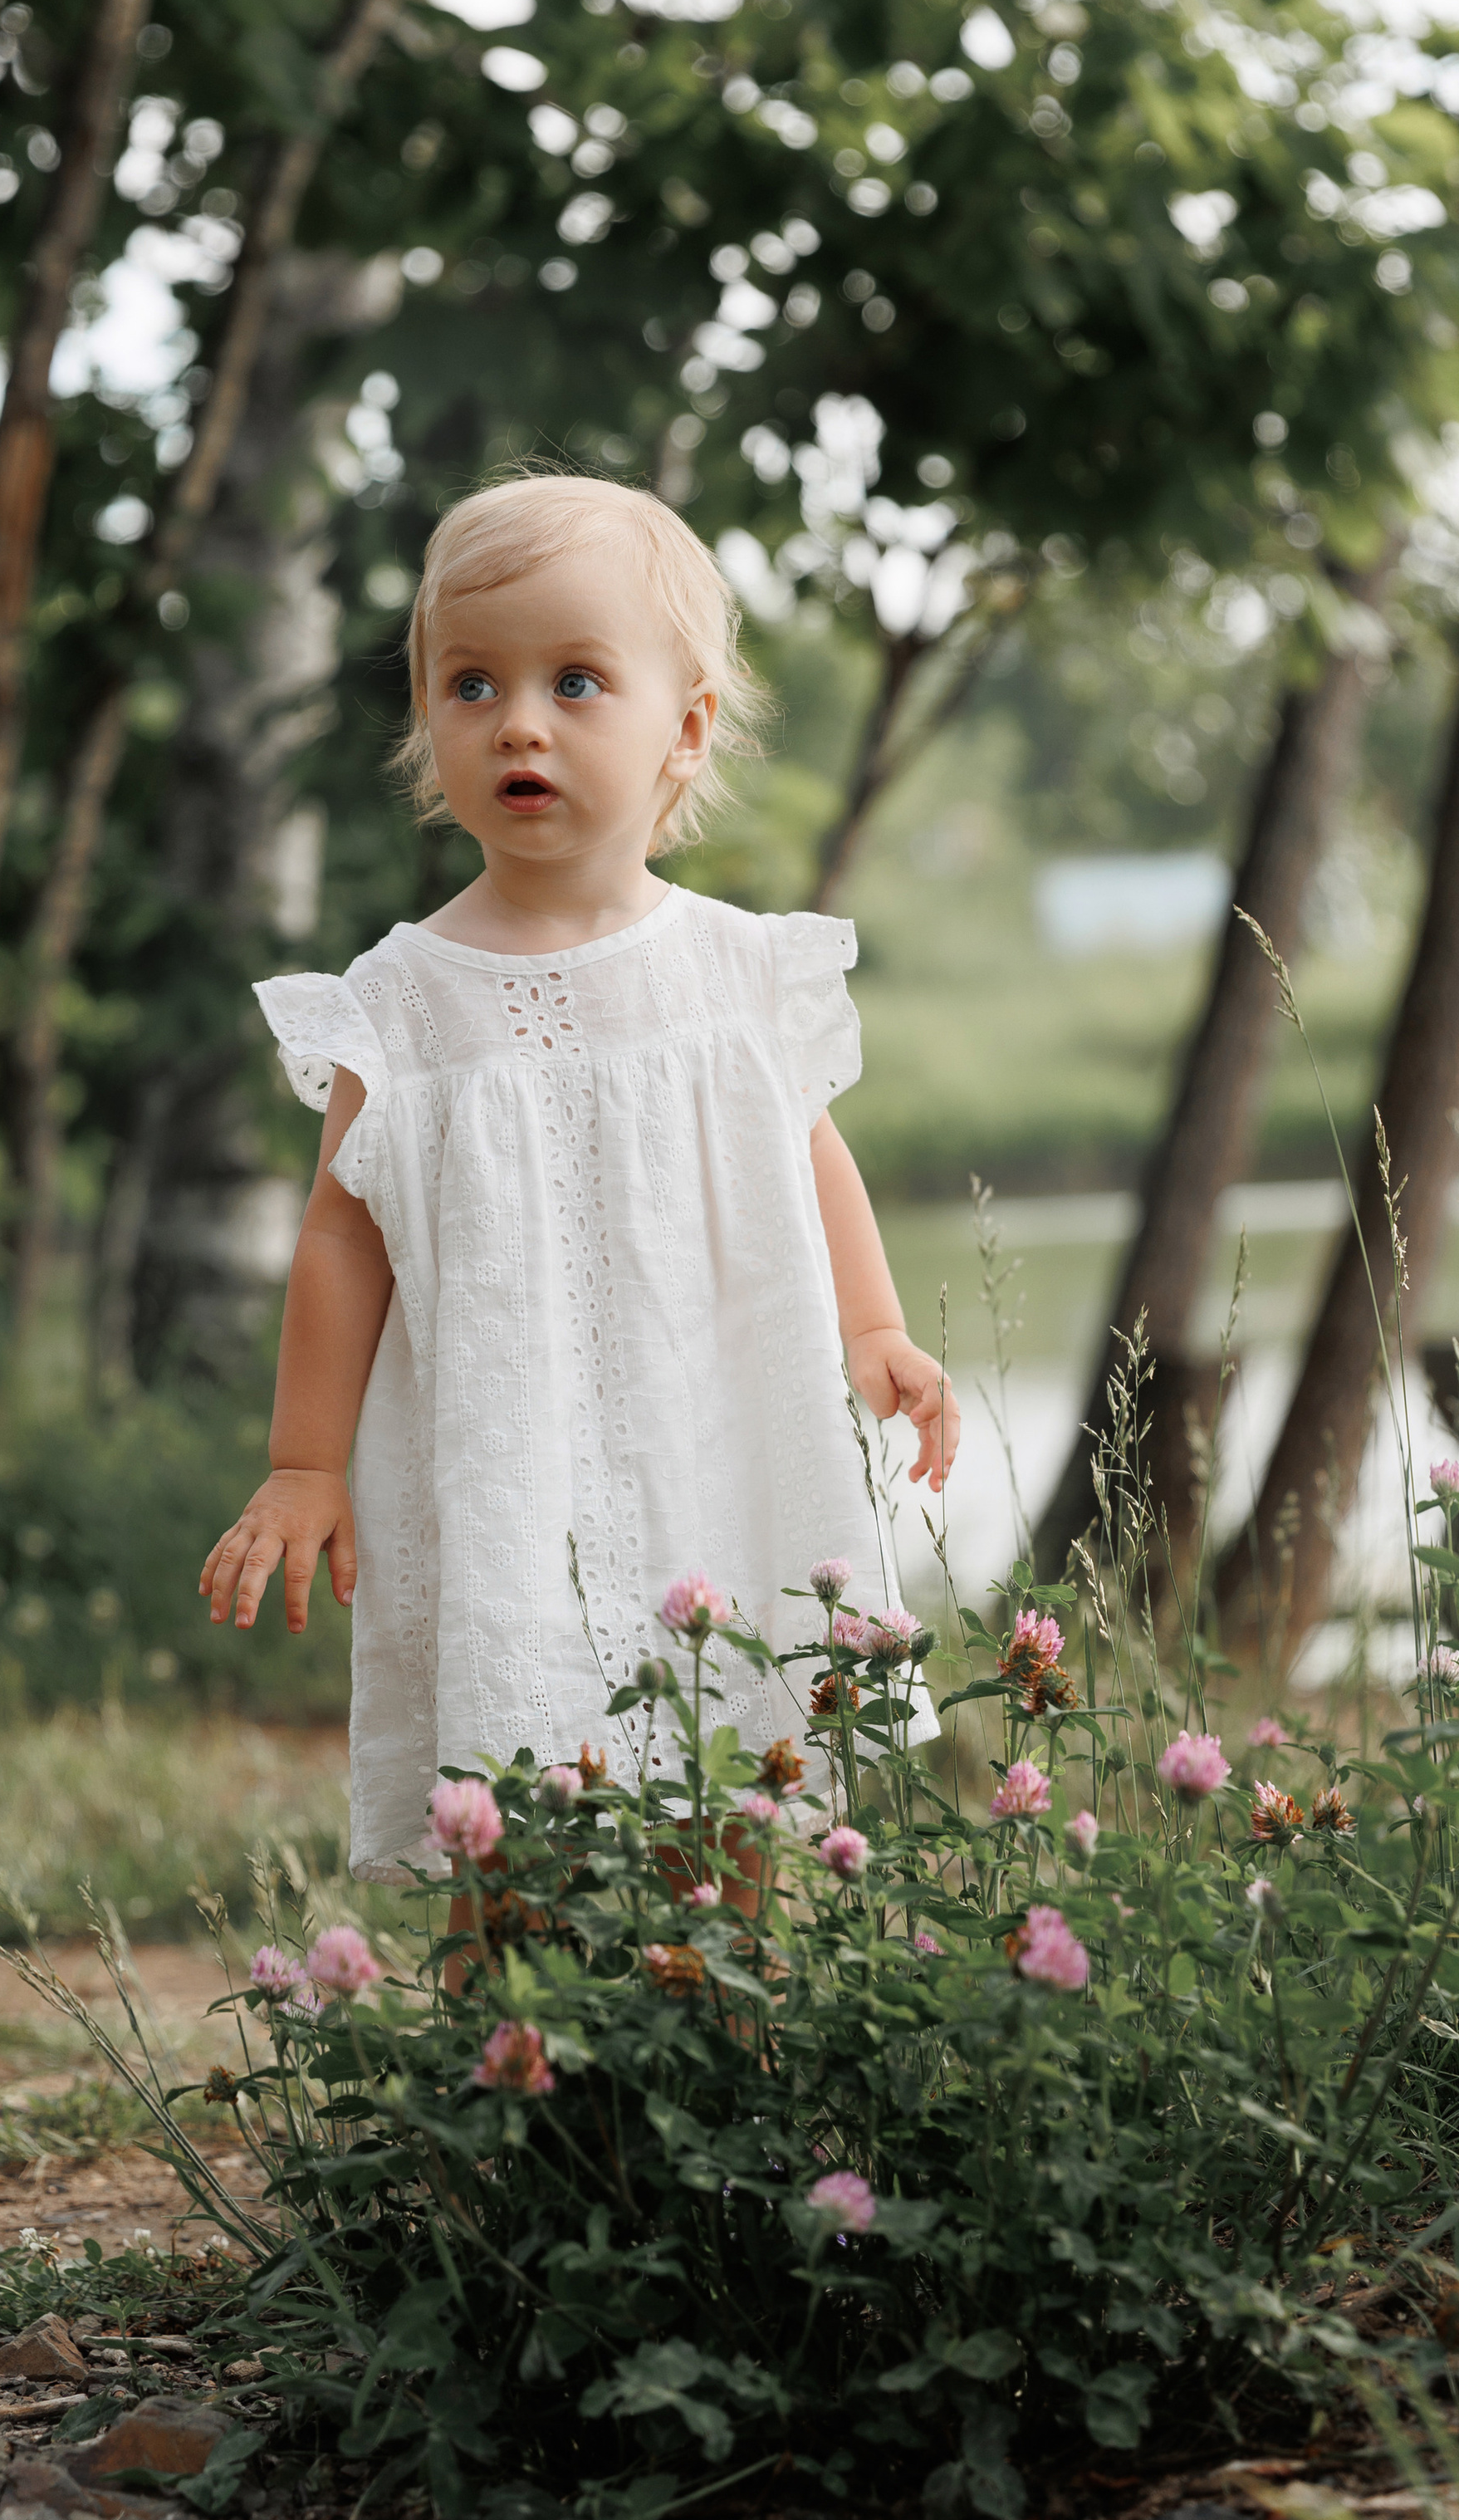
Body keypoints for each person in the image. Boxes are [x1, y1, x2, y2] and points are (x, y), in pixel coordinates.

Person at [198, 471, 958, 1877]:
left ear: (686, 727)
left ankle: (719, 2048)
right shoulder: (405, 998)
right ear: (430, 724)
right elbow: (341, 1235)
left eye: (577, 680)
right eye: (472, 683)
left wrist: (872, 1329)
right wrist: (306, 1462)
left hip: (709, 1433)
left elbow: (809, 1153)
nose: (520, 721)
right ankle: (518, 2073)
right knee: (514, 1784)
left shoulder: (738, 970)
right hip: (502, 1460)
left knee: (730, 1757)